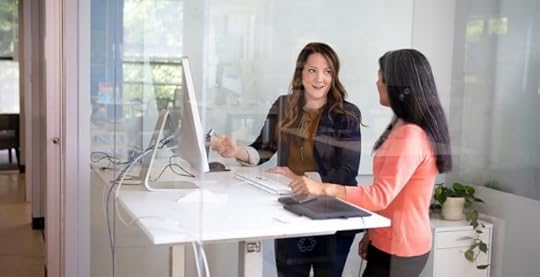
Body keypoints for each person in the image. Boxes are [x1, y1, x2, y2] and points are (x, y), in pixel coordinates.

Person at [282, 49, 453, 277]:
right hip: (387, 239)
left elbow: (380, 195)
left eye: (381, 77)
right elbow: (393, 194)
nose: (377, 83)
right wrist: (372, 233)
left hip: (401, 246)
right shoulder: (401, 125)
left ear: (398, 86)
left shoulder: (410, 135)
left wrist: (322, 187)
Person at [209, 42, 363, 277]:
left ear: (334, 76)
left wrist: (301, 177)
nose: (319, 78)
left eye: (327, 71)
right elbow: (263, 149)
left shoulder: (347, 114)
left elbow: (347, 171)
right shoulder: (283, 105)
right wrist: (237, 151)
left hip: (332, 209)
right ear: (301, 73)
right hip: (293, 208)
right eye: (312, 70)